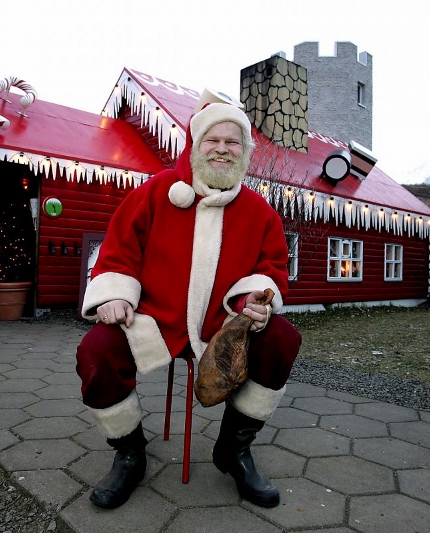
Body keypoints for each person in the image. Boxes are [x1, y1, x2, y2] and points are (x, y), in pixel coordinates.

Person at [76, 89, 302, 509]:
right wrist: (115, 294)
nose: (222, 149)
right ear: (196, 145)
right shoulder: (157, 191)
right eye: (212, 140)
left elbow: (273, 268)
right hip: (151, 320)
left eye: (232, 142)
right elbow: (118, 251)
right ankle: (129, 453)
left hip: (223, 325)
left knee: (283, 338)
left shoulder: (260, 211)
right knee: (96, 350)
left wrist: (255, 301)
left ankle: (233, 449)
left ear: (244, 151)